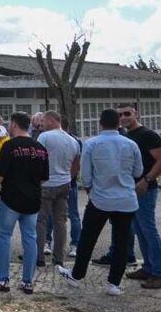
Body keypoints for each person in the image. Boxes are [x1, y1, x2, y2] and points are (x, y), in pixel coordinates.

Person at [58, 109, 142, 296]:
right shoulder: (130, 144)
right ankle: (114, 283)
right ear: (118, 123)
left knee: (88, 238)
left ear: (100, 123)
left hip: (100, 198)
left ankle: (77, 275)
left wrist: (90, 188)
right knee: (121, 242)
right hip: (126, 200)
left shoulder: (92, 144)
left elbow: (86, 174)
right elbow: (138, 171)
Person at [0, 112, 48, 294]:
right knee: (30, 239)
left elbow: (0, 173)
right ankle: (27, 281)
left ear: (13, 124)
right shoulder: (40, 148)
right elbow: (44, 177)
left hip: (11, 199)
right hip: (33, 199)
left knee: (4, 237)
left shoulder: (9, 146)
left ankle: (2, 278)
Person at [118, 104, 161, 289]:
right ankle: (149, 268)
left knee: (148, 229)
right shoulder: (126, 136)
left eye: (127, 113)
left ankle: (160, 273)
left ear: (136, 114)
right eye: (120, 115)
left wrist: (147, 179)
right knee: (139, 229)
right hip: (131, 189)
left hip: (145, 189)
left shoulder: (148, 135)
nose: (123, 117)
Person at [36, 111, 80, 269]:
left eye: (43, 121)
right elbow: (76, 163)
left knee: (41, 221)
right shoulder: (72, 140)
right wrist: (69, 176)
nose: (42, 124)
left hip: (46, 184)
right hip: (64, 183)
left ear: (51, 120)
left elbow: (38, 159)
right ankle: (58, 258)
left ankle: (40, 256)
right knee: (60, 221)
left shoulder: (45, 137)